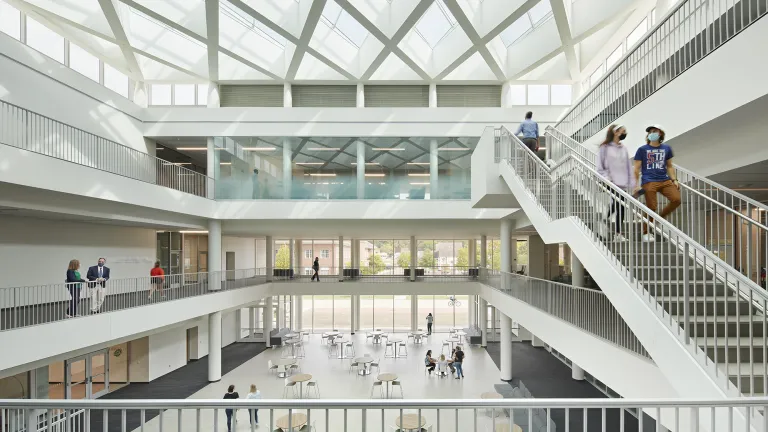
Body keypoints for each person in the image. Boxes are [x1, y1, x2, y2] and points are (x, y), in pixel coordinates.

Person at [633, 125, 681, 242]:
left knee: (676, 199)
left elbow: (669, 166)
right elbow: (636, 168)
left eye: (654, 131)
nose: (651, 133)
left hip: (665, 180)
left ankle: (658, 220)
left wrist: (674, 180)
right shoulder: (642, 149)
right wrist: (636, 185)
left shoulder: (666, 148)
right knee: (652, 207)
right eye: (650, 132)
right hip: (649, 181)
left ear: (660, 134)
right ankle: (645, 233)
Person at [597, 125, 635, 242]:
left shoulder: (624, 148)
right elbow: (600, 165)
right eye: (623, 131)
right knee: (620, 204)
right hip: (610, 181)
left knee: (619, 205)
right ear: (616, 132)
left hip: (622, 182)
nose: (624, 133)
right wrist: (606, 177)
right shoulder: (604, 147)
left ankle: (604, 221)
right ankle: (616, 232)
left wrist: (632, 182)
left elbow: (628, 166)